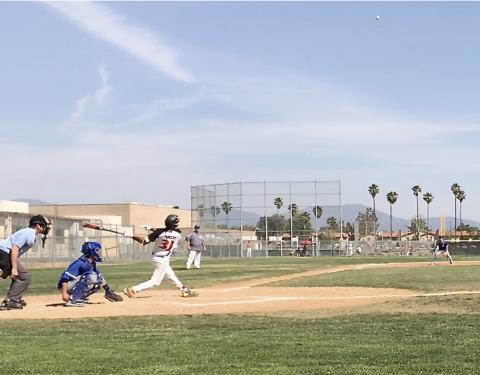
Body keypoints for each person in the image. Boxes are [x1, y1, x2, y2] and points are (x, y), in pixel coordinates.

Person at [124, 214, 197, 298]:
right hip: (162, 260)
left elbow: (144, 241)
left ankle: (184, 290)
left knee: (171, 275)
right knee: (155, 281)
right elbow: (165, 232)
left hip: (158, 258)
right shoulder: (178, 233)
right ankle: (132, 289)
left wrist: (131, 236)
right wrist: (151, 229)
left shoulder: (159, 233)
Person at [0, 215, 51, 310]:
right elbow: (14, 249)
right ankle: (11, 300)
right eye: (44, 225)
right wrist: (14, 268)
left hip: (4, 253)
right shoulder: (29, 233)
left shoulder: (29, 233)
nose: (46, 228)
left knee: (14, 275)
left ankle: (13, 299)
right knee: (24, 277)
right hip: (4, 253)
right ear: (37, 226)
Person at [57, 241, 123, 307]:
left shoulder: (91, 263)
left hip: (75, 285)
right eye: (97, 251)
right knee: (91, 277)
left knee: (98, 282)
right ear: (91, 251)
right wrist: (64, 293)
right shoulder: (80, 262)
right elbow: (65, 277)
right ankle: (72, 300)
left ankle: (78, 298)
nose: (99, 253)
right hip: (66, 286)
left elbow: (100, 277)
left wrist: (107, 290)